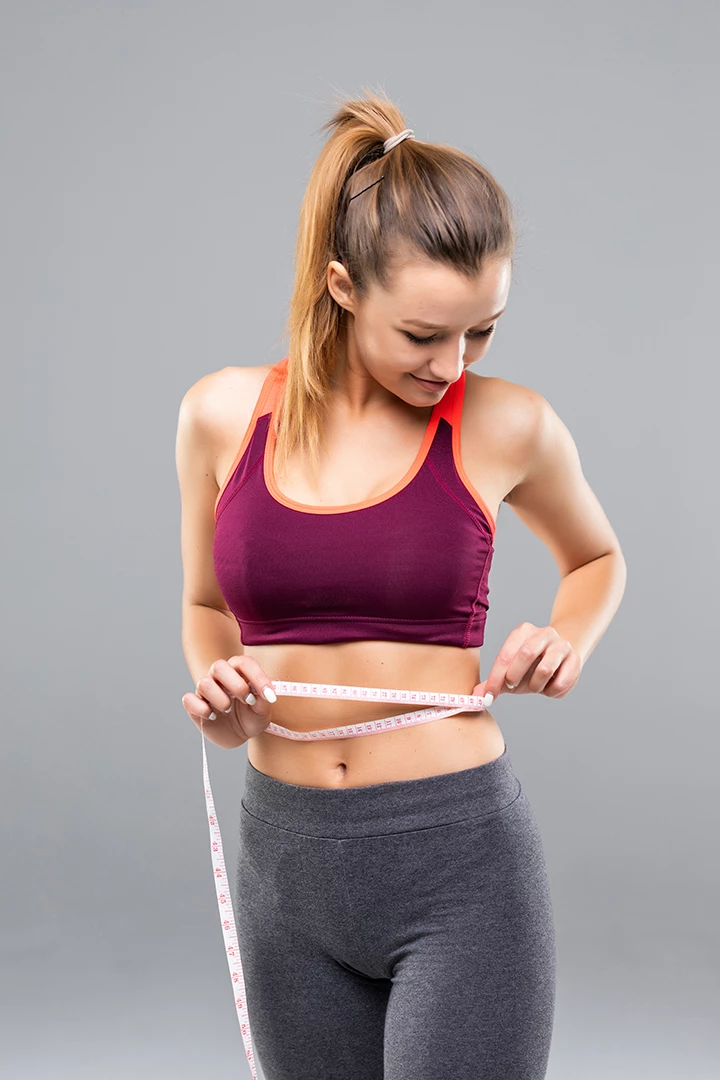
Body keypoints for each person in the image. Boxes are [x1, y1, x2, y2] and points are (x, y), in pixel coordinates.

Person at [176, 88, 627, 1080]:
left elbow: (596, 561)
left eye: (482, 333)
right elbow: (208, 608)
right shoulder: (219, 416)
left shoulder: (509, 424)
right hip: (285, 867)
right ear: (342, 285)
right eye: (424, 334)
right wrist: (221, 698)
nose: (452, 364)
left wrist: (568, 638)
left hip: (456, 862)